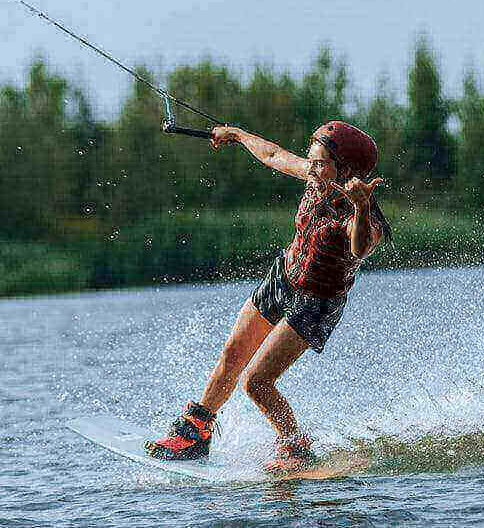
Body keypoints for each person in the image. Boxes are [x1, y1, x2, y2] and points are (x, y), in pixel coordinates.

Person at [145, 120, 392, 472]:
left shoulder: (364, 218)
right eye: (312, 160)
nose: (312, 169)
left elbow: (358, 247)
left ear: (347, 171)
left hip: (316, 302)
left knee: (256, 382)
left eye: (320, 164)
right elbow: (274, 155)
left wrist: (361, 207)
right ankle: (196, 430)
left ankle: (295, 446)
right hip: (284, 276)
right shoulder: (315, 177)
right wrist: (238, 135)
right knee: (232, 354)